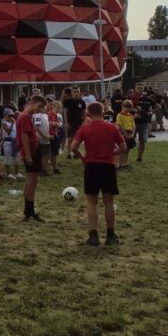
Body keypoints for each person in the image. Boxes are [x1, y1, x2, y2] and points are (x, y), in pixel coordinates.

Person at [72, 102, 126, 246]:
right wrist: (111, 153)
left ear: (88, 114)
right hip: (108, 166)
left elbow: (73, 147)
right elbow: (123, 147)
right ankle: (110, 234)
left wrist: (83, 157)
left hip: (91, 166)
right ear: (103, 113)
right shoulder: (112, 128)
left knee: (91, 201)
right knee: (109, 201)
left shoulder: (85, 128)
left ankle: (93, 235)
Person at [16, 95, 48, 222]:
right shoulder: (25, 116)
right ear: (33, 102)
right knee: (33, 181)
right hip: (32, 151)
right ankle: (30, 212)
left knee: (30, 180)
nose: (40, 109)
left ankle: (28, 210)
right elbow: (24, 136)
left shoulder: (26, 116)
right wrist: (28, 154)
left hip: (32, 150)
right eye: (39, 106)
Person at [62, 87, 87, 159]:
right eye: (74, 92)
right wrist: (66, 122)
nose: (76, 93)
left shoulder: (82, 102)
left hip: (79, 123)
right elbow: (65, 112)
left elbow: (84, 112)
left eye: (77, 92)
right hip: (70, 122)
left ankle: (76, 153)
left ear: (79, 93)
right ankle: (69, 154)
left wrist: (84, 121)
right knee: (70, 139)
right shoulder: (68, 101)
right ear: (72, 93)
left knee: (78, 139)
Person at [132, 91, 153, 163]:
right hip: (133, 123)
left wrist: (150, 112)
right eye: (138, 88)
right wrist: (133, 112)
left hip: (144, 123)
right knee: (129, 140)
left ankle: (139, 158)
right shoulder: (131, 98)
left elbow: (158, 106)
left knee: (142, 141)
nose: (140, 90)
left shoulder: (148, 99)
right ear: (136, 89)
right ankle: (124, 159)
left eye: (141, 88)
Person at [115, 100, 135, 168]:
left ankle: (125, 163)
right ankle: (120, 163)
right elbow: (120, 125)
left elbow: (133, 125)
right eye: (126, 107)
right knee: (123, 149)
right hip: (123, 133)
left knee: (128, 149)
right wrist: (126, 134)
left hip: (130, 132)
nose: (127, 109)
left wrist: (132, 134)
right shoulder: (119, 115)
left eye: (129, 108)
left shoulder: (131, 116)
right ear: (122, 107)